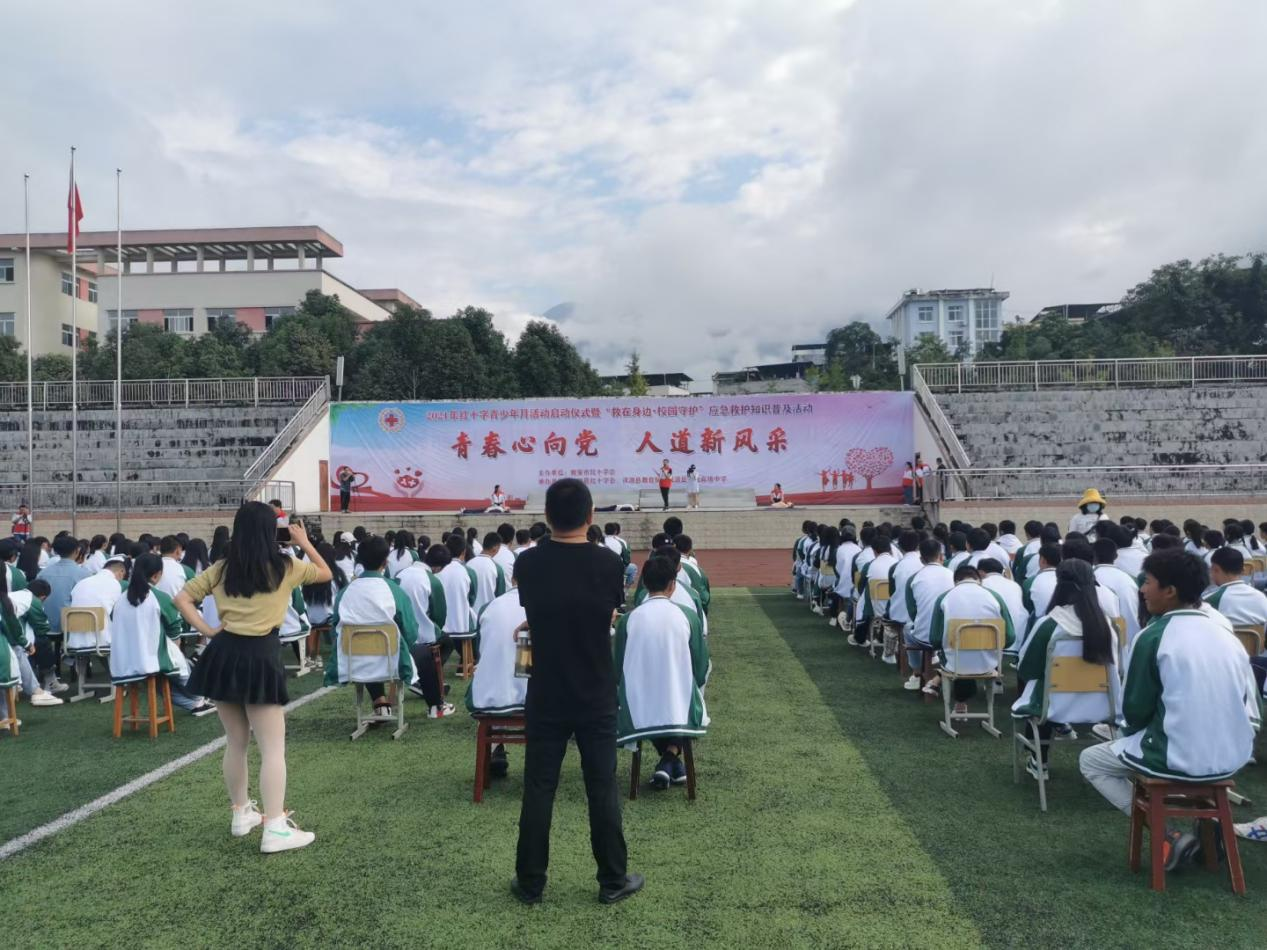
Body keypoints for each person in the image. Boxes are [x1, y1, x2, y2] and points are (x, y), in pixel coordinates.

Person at [1079, 550, 1256, 869]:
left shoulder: (1153, 636)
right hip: (1232, 756)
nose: (1142, 589)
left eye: (1148, 582)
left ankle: (1170, 836)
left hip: (1176, 756)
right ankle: (1207, 823)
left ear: (1170, 590)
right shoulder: (1227, 633)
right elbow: (1247, 703)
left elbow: (1134, 712)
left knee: (1091, 760)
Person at [511, 478, 641, 906]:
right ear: (590, 516)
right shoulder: (609, 563)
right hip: (595, 691)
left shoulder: (528, 563)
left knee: (539, 787)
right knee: (601, 787)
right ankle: (612, 879)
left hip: (546, 690)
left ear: (547, 516)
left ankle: (530, 882)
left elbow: (542, 610)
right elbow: (602, 612)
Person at [175, 504, 332, 854]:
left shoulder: (222, 567)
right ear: (269, 532)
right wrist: (304, 542)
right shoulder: (286, 565)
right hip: (260, 654)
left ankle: (241, 813)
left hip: (223, 653)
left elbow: (181, 598)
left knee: (236, 742)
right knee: (273, 748)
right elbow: (325, 573)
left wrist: (208, 631)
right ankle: (274, 827)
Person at [1012, 559, 1119, 780]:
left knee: (1041, 688)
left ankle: (1039, 761)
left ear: (1060, 584)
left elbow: (1026, 668)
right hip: (1103, 706)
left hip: (1053, 707)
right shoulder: (1108, 625)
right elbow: (1118, 666)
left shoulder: (1050, 625)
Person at [615, 554, 709, 790]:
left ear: (645, 583)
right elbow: (700, 666)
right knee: (680, 699)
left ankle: (669, 763)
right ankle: (670, 759)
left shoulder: (628, 620)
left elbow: (617, 667)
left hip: (636, 704)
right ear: (672, 584)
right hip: (678, 700)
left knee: (657, 704)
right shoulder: (687, 616)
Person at [326, 536, 428, 719]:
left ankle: (380, 702)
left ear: (360, 561)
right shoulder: (394, 590)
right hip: (391, 662)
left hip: (352, 662)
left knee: (367, 646)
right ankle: (436, 703)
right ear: (385, 562)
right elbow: (411, 631)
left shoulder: (345, 592)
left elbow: (335, 628)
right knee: (422, 651)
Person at [110, 554, 214, 718]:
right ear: (156, 575)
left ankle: (197, 704)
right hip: (153, 661)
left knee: (162, 682)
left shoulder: (120, 599)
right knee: (181, 666)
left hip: (122, 662)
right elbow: (175, 631)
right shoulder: (159, 597)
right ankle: (199, 699)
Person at [466, 561, 528, 776]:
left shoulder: (490, 606)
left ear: (513, 579)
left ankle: (495, 748)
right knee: (523, 668)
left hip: (489, 695)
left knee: (497, 671)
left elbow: (481, 651)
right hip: (538, 695)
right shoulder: (548, 606)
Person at [927, 565, 1016, 707]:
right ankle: (960, 700)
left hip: (954, 663)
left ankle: (957, 700)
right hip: (989, 664)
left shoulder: (944, 598)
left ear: (955, 581)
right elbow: (1010, 636)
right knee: (967, 652)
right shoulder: (995, 597)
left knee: (956, 652)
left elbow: (935, 639)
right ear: (979, 580)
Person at [396, 549, 453, 718]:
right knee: (446, 643)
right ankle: (423, 680)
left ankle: (419, 678)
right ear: (438, 568)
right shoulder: (432, 581)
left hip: (396, 634)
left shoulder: (399, 575)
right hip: (422, 635)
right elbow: (440, 615)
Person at [470, 533, 509, 616]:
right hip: (489, 614)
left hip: (471, 615)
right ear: (495, 548)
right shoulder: (496, 568)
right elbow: (500, 596)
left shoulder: (468, 564)